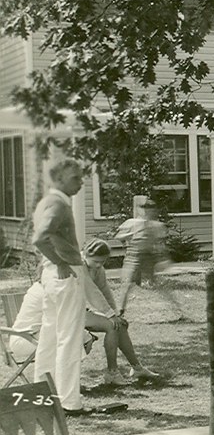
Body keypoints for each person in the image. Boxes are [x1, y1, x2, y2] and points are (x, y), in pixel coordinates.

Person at [31, 158, 89, 415]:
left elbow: (43, 239)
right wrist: (61, 262)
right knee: (69, 338)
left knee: (50, 336)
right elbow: (40, 238)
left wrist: (52, 263)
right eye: (75, 178)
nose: (81, 182)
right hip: (65, 274)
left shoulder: (46, 202)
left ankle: (41, 396)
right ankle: (69, 402)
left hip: (52, 276)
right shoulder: (58, 204)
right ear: (59, 178)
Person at [80, 238, 160, 385]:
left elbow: (104, 291)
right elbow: (92, 292)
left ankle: (137, 368)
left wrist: (115, 314)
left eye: (102, 262)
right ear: (85, 254)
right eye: (96, 261)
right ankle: (112, 373)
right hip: (67, 313)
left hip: (80, 311)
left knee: (119, 325)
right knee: (112, 325)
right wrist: (110, 315)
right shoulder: (78, 266)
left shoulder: (98, 269)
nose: (99, 265)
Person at [115, 196, 179, 319]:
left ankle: (176, 308)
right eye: (144, 207)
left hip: (149, 257)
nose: (147, 210)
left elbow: (160, 244)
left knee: (156, 284)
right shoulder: (131, 223)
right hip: (133, 256)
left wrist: (164, 259)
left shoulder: (157, 225)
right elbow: (118, 236)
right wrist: (130, 234)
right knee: (126, 284)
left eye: (150, 208)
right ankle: (120, 311)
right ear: (139, 209)